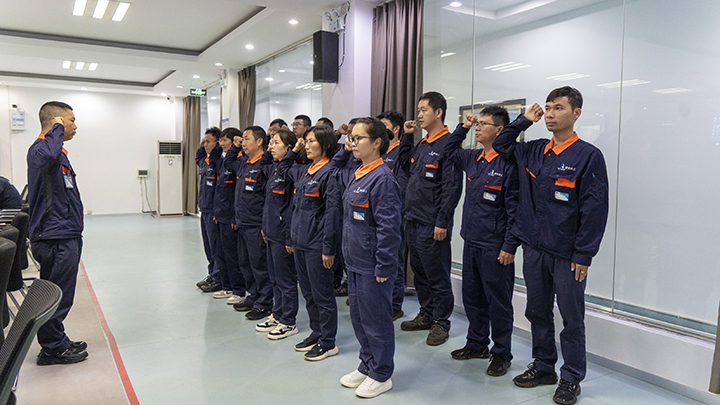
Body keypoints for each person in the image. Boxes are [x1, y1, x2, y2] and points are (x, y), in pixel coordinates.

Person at [492, 86, 609, 405]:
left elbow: (595, 208)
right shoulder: (533, 150)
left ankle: (571, 377)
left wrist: (584, 253)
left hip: (568, 254)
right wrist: (524, 120)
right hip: (535, 248)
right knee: (537, 311)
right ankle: (544, 366)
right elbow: (500, 144)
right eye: (547, 108)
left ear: (576, 113)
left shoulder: (588, 155)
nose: (550, 114)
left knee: (571, 317)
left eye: (559, 108)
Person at [444, 107, 519, 377]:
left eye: (483, 124)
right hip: (472, 240)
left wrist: (509, 245)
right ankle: (477, 343)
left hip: (495, 245)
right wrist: (462, 127)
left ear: (499, 130)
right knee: (472, 296)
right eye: (478, 123)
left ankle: (501, 353)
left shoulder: (508, 163)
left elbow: (515, 209)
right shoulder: (474, 157)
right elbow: (448, 151)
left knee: (498, 302)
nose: (478, 127)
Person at [333, 118, 401, 398]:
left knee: (377, 321)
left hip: (374, 266)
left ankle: (382, 373)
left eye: (359, 138)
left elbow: (389, 228)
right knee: (359, 318)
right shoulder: (358, 173)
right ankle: (367, 364)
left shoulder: (383, 179)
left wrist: (384, 265)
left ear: (376, 143)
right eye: (352, 137)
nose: (352, 142)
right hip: (355, 261)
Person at [399, 91, 463, 346]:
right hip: (414, 219)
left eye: (424, 110)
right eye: (418, 110)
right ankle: (426, 313)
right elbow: (403, 164)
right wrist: (407, 136)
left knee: (437, 275)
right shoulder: (423, 144)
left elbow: (451, 187)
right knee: (420, 272)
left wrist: (442, 221)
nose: (419, 115)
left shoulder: (449, 144)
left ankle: (441, 322)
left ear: (438, 112)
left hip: (432, 223)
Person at [27, 101, 88, 365]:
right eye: (70, 120)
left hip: (64, 233)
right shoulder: (42, 149)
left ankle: (56, 339)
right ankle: (52, 348)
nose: (75, 125)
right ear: (56, 121)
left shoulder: (56, 152)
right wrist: (56, 130)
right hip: (55, 236)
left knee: (61, 292)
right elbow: (47, 158)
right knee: (57, 295)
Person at [276, 125, 340, 361]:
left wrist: (328, 248)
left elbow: (332, 213)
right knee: (309, 294)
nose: (308, 145)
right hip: (300, 242)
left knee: (322, 295)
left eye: (312, 141)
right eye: (307, 141)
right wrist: (295, 148)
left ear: (326, 145)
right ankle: (316, 333)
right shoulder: (305, 171)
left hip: (317, 245)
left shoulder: (330, 172)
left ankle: (328, 342)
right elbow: (282, 168)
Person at [224, 127, 274, 322]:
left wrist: (265, 225)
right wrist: (235, 147)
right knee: (246, 264)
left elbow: (268, 199)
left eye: (246, 139)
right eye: (242, 140)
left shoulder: (265, 164)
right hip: (243, 222)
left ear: (259, 141)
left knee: (260, 266)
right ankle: (253, 296)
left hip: (256, 224)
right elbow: (228, 162)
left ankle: (265, 302)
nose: (243, 143)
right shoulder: (244, 163)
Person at [262, 128, 299, 339]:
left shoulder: (291, 172)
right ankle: (277, 314)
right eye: (271, 142)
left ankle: (288, 321)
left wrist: (289, 237)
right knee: (274, 278)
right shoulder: (275, 169)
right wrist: (265, 227)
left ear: (289, 148)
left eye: (276, 143)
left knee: (286, 280)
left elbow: (291, 208)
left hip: (283, 235)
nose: (271, 147)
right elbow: (270, 204)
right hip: (271, 232)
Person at [377, 110, 409, 321]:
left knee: (395, 260)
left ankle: (395, 305)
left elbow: (402, 186)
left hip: (395, 214)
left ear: (396, 129)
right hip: (377, 215)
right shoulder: (379, 152)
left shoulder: (401, 152)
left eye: (385, 126)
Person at [212, 128, 247, 305]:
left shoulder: (238, 162)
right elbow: (219, 192)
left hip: (231, 218)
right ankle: (226, 286)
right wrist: (216, 213)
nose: (222, 143)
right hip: (220, 215)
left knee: (233, 256)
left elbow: (236, 194)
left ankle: (238, 290)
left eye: (225, 140)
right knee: (220, 254)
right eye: (221, 140)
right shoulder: (223, 162)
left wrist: (234, 217)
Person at [196, 127, 224, 293]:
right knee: (208, 246)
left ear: (217, 143)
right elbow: (198, 157)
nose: (205, 144)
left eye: (208, 141)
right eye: (204, 142)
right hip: (204, 210)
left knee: (216, 247)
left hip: (214, 212)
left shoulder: (219, 163)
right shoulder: (205, 163)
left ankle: (218, 278)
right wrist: (202, 145)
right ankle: (212, 274)